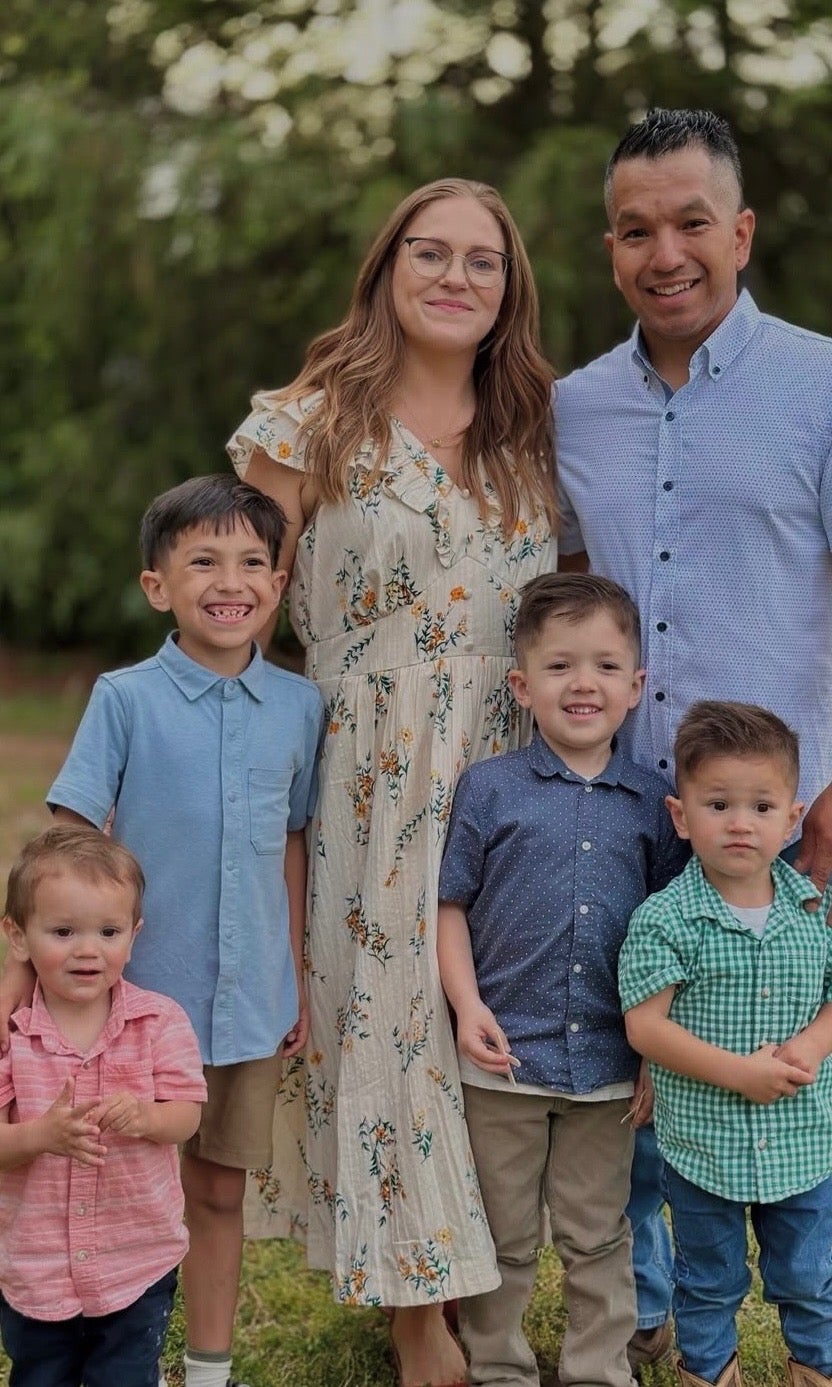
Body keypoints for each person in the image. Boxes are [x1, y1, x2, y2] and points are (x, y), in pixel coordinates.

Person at [226, 176, 557, 1387]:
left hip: (512, 768)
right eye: (431, 253)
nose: (456, 276)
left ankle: (473, 1276)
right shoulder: (301, 427)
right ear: (386, 269)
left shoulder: (538, 434)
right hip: (366, 764)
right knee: (387, 1026)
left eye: (482, 259)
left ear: (509, 285)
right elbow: (241, 627)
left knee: (488, 1033)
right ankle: (422, 1322)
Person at [555, 106, 832, 1370]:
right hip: (616, 805)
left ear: (742, 231)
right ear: (609, 246)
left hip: (781, 810)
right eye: (633, 229)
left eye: (689, 224)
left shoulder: (819, 384)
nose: (664, 252)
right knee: (633, 1058)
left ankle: (812, 1299)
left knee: (788, 1061)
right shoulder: (573, 408)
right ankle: (660, 1303)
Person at [1, 474, 325, 1387]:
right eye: (204, 561)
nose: (232, 580)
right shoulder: (125, 697)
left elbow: (292, 844)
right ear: (158, 586)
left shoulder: (302, 708)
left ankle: (209, 1366)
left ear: (280, 579)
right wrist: (25, 976)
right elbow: (68, 837)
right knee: (103, 1176)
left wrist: (293, 969)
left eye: (254, 561)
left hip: (248, 999)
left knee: (219, 1187)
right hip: (128, 1004)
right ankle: (96, 1348)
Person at [436, 572, 688, 1387]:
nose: (584, 683)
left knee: (597, 1232)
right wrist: (467, 1003)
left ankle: (596, 1369)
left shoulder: (654, 803)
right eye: (560, 666)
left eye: (607, 666)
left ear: (636, 686)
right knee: (504, 1235)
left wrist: (658, 1046)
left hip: (609, 1067)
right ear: (522, 684)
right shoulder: (489, 787)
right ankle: (500, 1367)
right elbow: (451, 904)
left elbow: (669, 934)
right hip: (504, 1056)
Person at [620, 701, 832, 1387]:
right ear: (682, 816)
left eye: (761, 805)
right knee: (708, 1279)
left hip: (803, 1142)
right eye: (718, 803)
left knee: (810, 1275)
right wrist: (739, 1073)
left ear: (792, 817)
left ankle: (816, 1368)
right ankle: (709, 1372)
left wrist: (814, 1043)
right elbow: (645, 1027)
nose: (740, 822)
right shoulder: (665, 919)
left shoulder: (815, 911)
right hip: (703, 1145)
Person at [0, 825, 206, 1387]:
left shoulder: (159, 1021)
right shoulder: (12, 1036)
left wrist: (146, 1117)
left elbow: (186, 1112)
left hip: (136, 1260)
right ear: (18, 938)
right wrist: (37, 1136)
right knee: (41, 1375)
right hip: (36, 1269)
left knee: (125, 1376)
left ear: (134, 935)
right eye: (63, 931)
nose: (88, 949)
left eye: (108, 931)